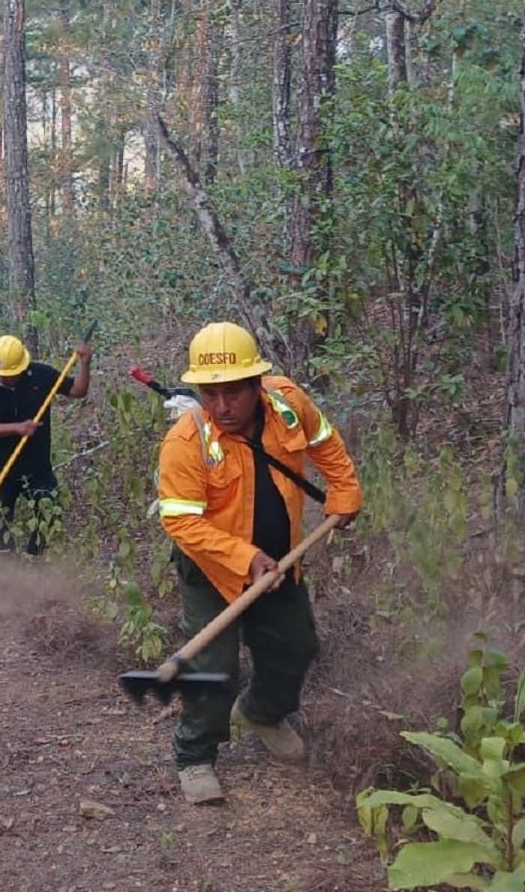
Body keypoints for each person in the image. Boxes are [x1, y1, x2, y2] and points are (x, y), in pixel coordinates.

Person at [153, 322, 361, 804]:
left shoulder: (287, 403)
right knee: (214, 665)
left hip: (281, 562)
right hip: (211, 567)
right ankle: (195, 754)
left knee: (297, 646)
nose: (222, 406)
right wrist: (245, 559)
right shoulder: (186, 443)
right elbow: (182, 524)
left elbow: (324, 440)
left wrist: (345, 491)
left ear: (256, 385)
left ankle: (262, 712)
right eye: (210, 394)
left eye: (233, 393)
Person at [0, 333, 91, 554]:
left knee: (49, 510)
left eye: (10, 374)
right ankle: (6, 564)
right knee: (0, 518)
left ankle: (34, 557)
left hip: (37, 465)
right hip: (0, 467)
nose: (4, 378)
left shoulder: (41, 375)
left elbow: (78, 391)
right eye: (0, 374)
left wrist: (84, 363)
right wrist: (18, 428)